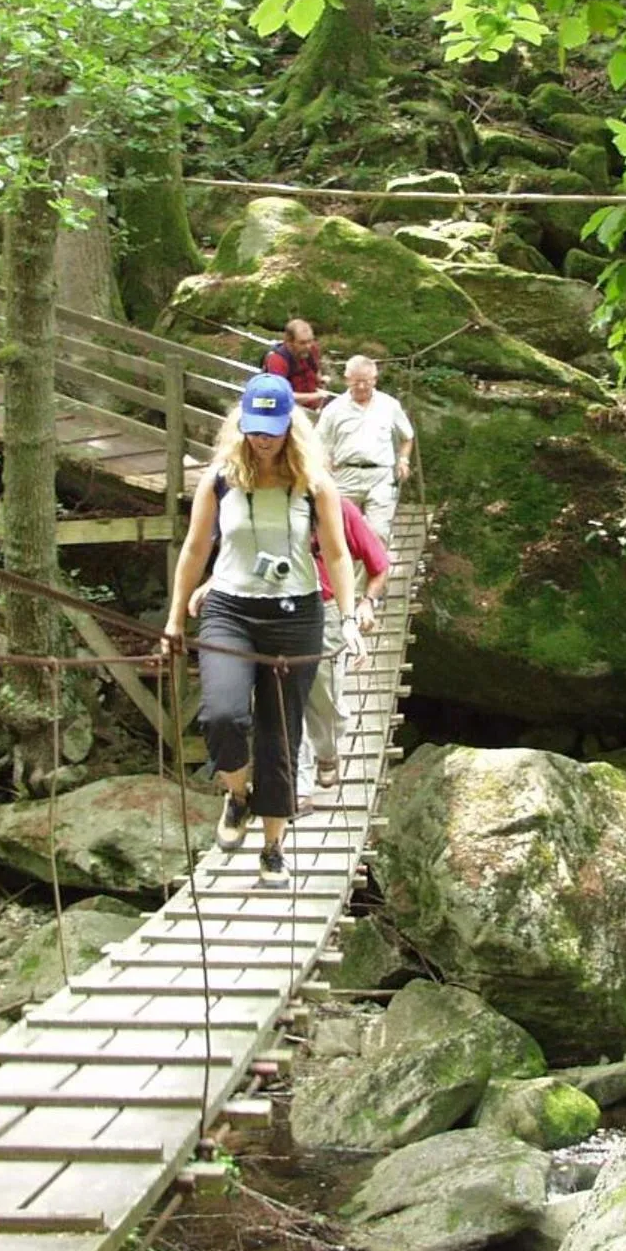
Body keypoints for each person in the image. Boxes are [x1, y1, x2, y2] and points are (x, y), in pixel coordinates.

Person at [162, 373, 365, 888]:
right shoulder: (220, 478)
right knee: (223, 715)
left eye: (271, 429)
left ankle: (273, 847)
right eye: (254, 428)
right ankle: (236, 795)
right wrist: (174, 616)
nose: (263, 438)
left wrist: (349, 619)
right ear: (242, 425)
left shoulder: (314, 483)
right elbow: (194, 548)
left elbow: (338, 555)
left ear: (289, 427)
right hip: (230, 608)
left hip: (296, 615)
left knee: (280, 734)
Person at [297, 496, 389, 809]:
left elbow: (379, 564)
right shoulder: (270, 501)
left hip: (328, 609)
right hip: (281, 612)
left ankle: (328, 750)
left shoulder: (339, 508)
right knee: (282, 695)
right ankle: (299, 785)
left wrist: (366, 603)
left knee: (324, 697)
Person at [316, 354, 415, 542]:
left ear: (375, 380)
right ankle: (346, 572)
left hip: (380, 476)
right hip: (345, 475)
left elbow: (407, 437)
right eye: (356, 382)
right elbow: (319, 441)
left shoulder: (389, 405)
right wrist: (324, 462)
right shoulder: (333, 409)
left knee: (378, 534)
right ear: (347, 380)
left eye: (366, 382)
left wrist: (403, 460)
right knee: (340, 535)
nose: (361, 387)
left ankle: (375, 571)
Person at [263, 318, 330, 411]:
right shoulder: (277, 360)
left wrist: (320, 380)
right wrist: (314, 396)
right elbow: (280, 396)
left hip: (314, 406)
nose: (308, 346)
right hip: (287, 410)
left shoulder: (312, 349)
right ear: (289, 342)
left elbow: (315, 369)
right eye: (302, 343)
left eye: (310, 341)